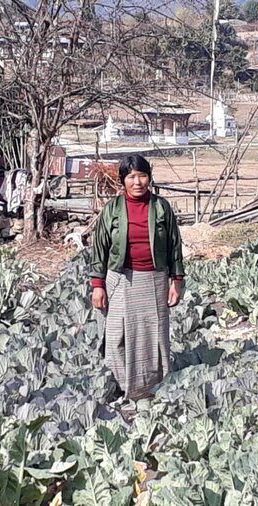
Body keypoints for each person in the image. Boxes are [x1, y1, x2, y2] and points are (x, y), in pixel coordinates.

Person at [90, 155, 185, 401]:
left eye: (142, 175)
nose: (137, 182)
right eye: (131, 176)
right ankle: (122, 385)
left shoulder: (161, 207)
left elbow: (174, 245)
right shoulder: (112, 209)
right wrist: (97, 285)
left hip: (153, 279)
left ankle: (151, 388)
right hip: (120, 278)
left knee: (152, 336)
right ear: (123, 180)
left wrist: (177, 280)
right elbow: (99, 248)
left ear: (149, 178)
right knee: (115, 335)